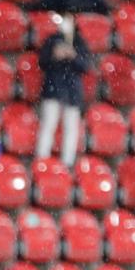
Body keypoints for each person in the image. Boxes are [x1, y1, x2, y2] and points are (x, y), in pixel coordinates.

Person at [35, 21, 90, 164]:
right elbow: (42, 62)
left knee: (71, 129)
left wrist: (73, 56)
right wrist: (55, 55)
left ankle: (67, 163)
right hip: (53, 89)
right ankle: (42, 161)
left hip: (72, 93)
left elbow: (85, 66)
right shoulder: (52, 40)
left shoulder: (79, 42)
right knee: (48, 125)